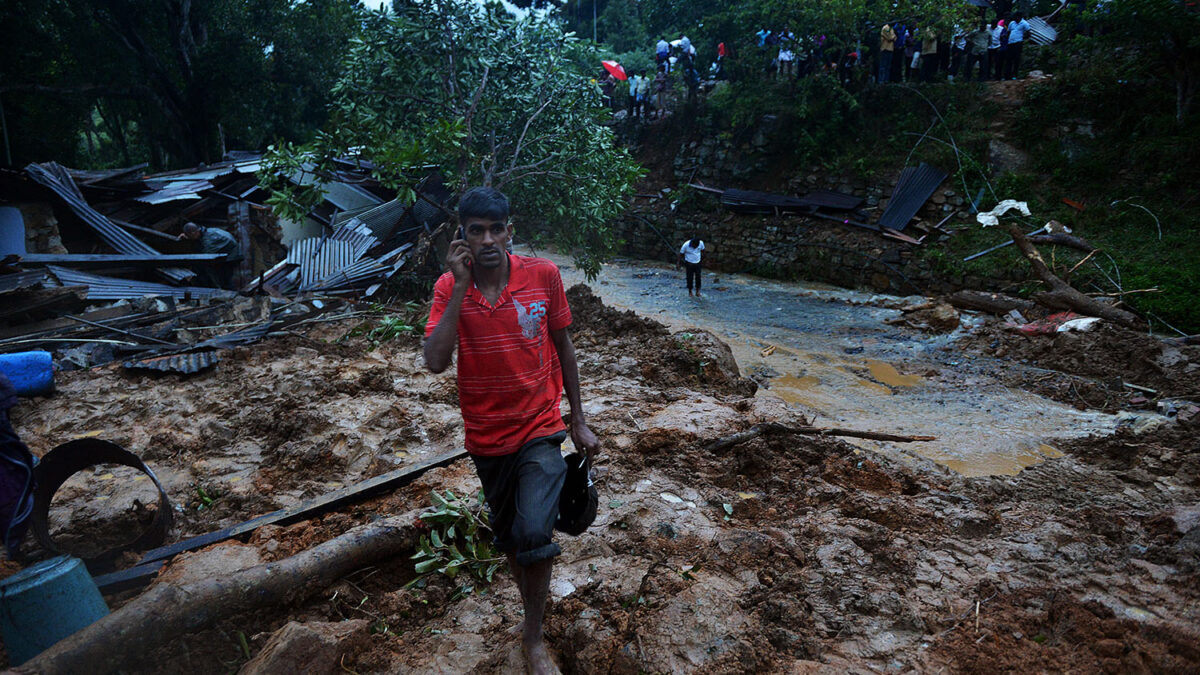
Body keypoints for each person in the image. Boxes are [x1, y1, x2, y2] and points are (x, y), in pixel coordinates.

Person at [423, 187, 599, 675]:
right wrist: (459, 287)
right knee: (511, 542)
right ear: (462, 235)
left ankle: (533, 640)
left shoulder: (543, 276)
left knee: (534, 530)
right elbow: (435, 362)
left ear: (509, 230)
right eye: (475, 230)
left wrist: (578, 420)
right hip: (485, 438)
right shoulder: (446, 288)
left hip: (542, 428)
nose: (487, 240)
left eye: (495, 229)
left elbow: (564, 347)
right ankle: (533, 608)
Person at [178, 221, 241, 288]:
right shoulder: (206, 231)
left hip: (231, 256)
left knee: (223, 278)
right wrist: (188, 237)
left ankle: (226, 293)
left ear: (194, 233)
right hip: (226, 252)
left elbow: (205, 257)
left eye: (189, 236)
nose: (189, 237)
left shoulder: (209, 240)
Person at [1005, 12, 1031, 79]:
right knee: (1008, 60)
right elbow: (1008, 32)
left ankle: (1014, 75)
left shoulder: (1024, 23)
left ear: (1020, 17)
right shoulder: (1012, 23)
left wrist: (1021, 39)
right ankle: (1007, 75)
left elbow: (1028, 34)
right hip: (1010, 43)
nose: (1015, 19)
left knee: (1016, 60)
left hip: (1018, 43)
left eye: (1016, 17)